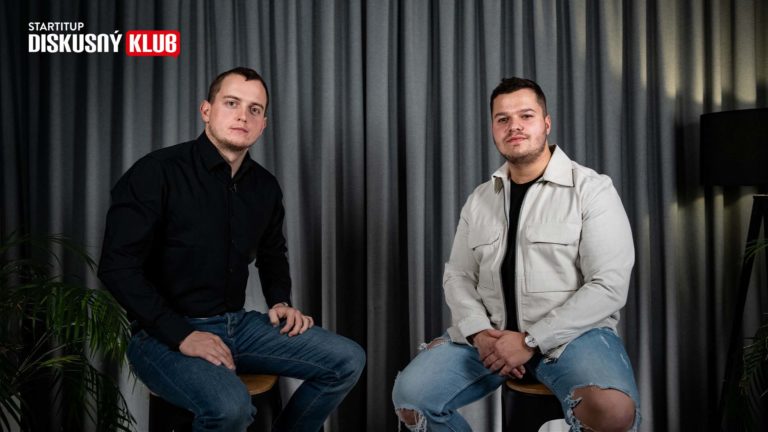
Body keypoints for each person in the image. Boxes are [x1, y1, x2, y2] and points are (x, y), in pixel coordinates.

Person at [99, 67, 365, 432]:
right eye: (231, 103)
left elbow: (272, 254)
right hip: (160, 335)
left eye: (255, 109)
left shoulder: (265, 187)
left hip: (237, 326)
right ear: (206, 110)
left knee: (348, 359)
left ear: (263, 124)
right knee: (231, 408)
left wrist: (280, 300)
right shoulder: (156, 172)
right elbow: (117, 267)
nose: (243, 116)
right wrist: (182, 335)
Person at [392, 77, 640, 432]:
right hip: (490, 337)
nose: (514, 126)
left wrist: (530, 341)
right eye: (503, 119)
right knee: (411, 398)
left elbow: (609, 285)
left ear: (546, 123)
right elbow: (458, 276)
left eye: (526, 115)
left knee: (613, 411)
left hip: (572, 338)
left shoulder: (592, 190)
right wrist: (479, 333)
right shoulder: (480, 200)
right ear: (493, 128)